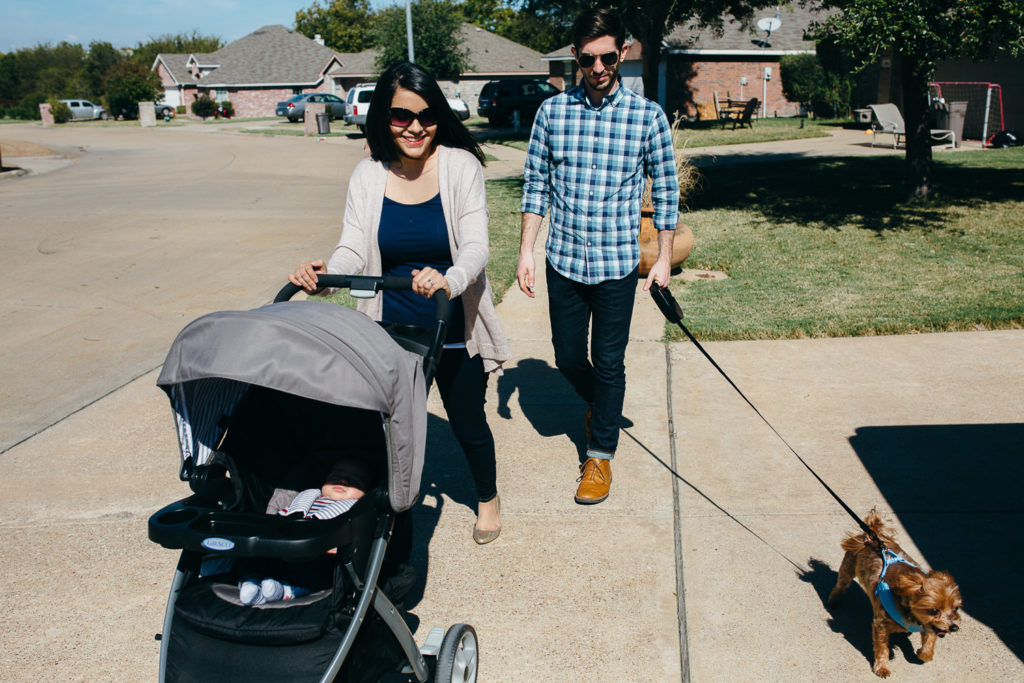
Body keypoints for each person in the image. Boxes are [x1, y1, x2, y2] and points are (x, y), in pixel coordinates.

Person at [290, 62, 512, 544]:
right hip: (388, 330)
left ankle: (488, 499)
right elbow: (353, 247)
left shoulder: (460, 167)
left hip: (450, 324)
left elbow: (477, 246)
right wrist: (323, 275)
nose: (415, 127)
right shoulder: (368, 175)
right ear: (383, 119)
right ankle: (387, 509)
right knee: (384, 432)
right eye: (401, 117)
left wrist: (449, 280)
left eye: (426, 116)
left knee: (469, 423)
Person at [517, 8, 680, 505]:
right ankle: (603, 408)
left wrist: (664, 259)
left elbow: (667, 191)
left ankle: (600, 455)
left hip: (615, 265)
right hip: (563, 258)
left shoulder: (646, 116)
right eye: (589, 59)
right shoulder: (552, 112)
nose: (599, 67)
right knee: (568, 357)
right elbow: (535, 184)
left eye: (608, 57)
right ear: (576, 57)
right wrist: (526, 249)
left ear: (623, 53)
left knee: (609, 363)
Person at [239, 456, 374, 605]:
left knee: (321, 572)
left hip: (316, 556)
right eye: (335, 476)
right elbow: (282, 515)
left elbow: (355, 540)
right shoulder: (304, 499)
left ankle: (286, 591)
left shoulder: (355, 512)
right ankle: (250, 582)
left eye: (355, 482)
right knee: (250, 550)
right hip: (282, 549)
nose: (343, 481)